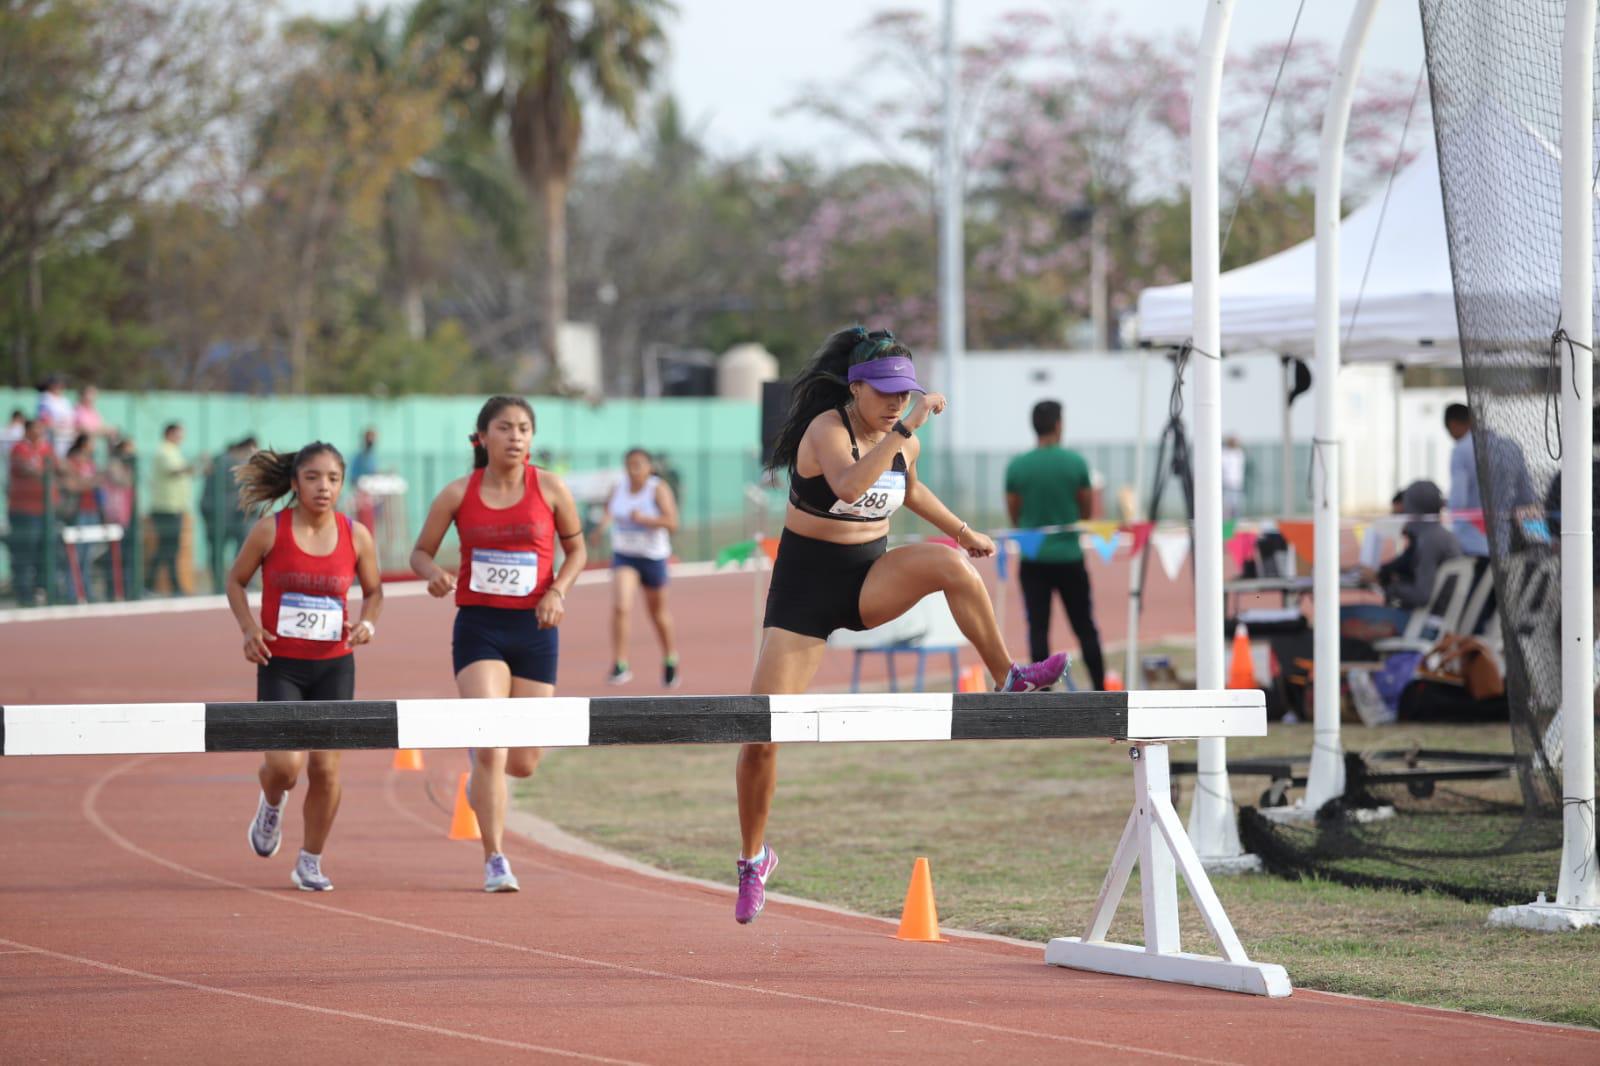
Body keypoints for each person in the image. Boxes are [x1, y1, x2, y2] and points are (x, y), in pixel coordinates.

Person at [733, 327, 1067, 925]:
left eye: (903, 393)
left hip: (867, 579)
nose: (893, 403)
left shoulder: (899, 440)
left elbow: (907, 489)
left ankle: (1007, 675)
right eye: (884, 393)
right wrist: (908, 427)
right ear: (855, 388)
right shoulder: (828, 430)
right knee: (762, 735)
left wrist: (964, 531)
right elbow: (850, 485)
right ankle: (753, 857)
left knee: (948, 563)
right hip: (805, 593)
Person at [410, 396, 587, 893]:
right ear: (482, 437)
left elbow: (578, 549)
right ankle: (495, 858)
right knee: (492, 748)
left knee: (523, 762)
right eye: (505, 427)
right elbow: (420, 552)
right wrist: (434, 575)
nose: (516, 437)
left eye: (524, 428)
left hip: (534, 630)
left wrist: (558, 590)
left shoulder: (550, 488)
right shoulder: (457, 493)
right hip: (480, 627)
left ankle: (484, 770)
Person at [229, 442, 383, 892]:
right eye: (313, 477)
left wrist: (368, 624)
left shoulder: (355, 535)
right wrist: (248, 629)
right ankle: (271, 801)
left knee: (327, 770)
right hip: (282, 666)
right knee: (285, 767)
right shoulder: (269, 531)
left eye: (333, 479)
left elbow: (373, 591)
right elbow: (236, 581)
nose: (324, 487)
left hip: (334, 666)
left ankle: (310, 860)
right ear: (296, 482)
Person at [1004, 400, 1106, 691]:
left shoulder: (1018, 466)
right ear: (1059, 424)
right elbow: (1085, 511)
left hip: (1033, 559)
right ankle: (1100, 689)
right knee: (1085, 627)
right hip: (1070, 558)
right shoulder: (1076, 463)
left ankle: (1042, 694)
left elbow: (1014, 513)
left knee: (1038, 628)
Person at [592, 448, 681, 687]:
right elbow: (610, 512)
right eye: (629, 465)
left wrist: (646, 520)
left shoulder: (657, 489)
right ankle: (621, 663)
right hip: (625, 556)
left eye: (639, 465)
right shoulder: (618, 487)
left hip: (653, 557)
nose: (633, 470)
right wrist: (600, 529)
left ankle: (670, 657)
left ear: (649, 467)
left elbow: (672, 523)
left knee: (657, 613)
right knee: (621, 606)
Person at [1445, 402, 1534, 558]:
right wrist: (1538, 535)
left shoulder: (1461, 450)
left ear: (1454, 424)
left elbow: (1458, 501)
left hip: (1470, 542)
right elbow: (1526, 497)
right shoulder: (1511, 447)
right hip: (1503, 543)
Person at [7, 419, 56, 606]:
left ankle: (41, 591)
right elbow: (28, 469)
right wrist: (44, 473)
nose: (40, 432)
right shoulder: (19, 449)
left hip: (45, 510)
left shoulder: (46, 448)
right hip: (24, 511)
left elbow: (56, 468)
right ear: (27, 430)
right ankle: (24, 594)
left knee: (44, 552)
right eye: (36, 428)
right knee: (24, 553)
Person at [147, 422, 195, 596]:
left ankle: (170, 586)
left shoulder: (174, 451)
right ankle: (153, 584)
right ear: (169, 433)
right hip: (165, 508)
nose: (181, 438)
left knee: (170, 548)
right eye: (178, 434)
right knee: (166, 548)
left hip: (175, 507)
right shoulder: (163, 451)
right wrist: (194, 466)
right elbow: (174, 470)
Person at [1220, 435, 1248, 520]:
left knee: (1237, 506)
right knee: (1227, 507)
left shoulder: (1239, 453)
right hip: (1227, 484)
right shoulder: (1224, 454)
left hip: (1237, 484)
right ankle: (1227, 523)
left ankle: (1235, 523)